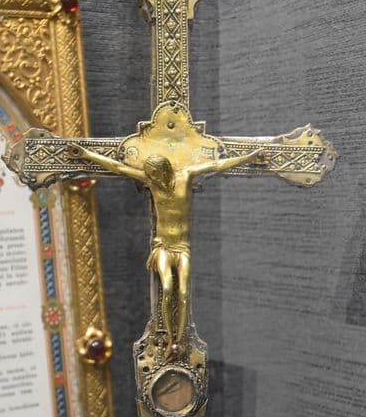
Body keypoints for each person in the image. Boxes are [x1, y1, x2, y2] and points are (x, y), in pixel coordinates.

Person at [67, 141, 267, 357]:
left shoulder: (186, 176)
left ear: (163, 170)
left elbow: (218, 165)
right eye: (149, 175)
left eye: (153, 174)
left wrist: (249, 157)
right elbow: (118, 167)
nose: (150, 179)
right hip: (163, 246)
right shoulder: (152, 183)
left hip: (181, 247)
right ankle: (170, 339)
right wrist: (86, 155)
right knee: (168, 288)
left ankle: (179, 340)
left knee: (183, 292)